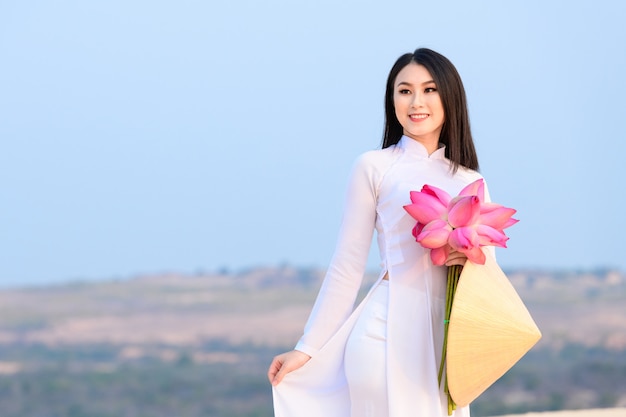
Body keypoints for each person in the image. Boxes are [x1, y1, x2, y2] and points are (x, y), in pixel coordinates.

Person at [268, 47, 490, 417]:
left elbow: (487, 273)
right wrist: (308, 347)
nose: (416, 101)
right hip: (382, 333)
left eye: (429, 89)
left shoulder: (471, 181)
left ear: (450, 96)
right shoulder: (374, 167)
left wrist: (467, 258)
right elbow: (348, 264)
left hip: (447, 342)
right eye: (404, 91)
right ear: (392, 100)